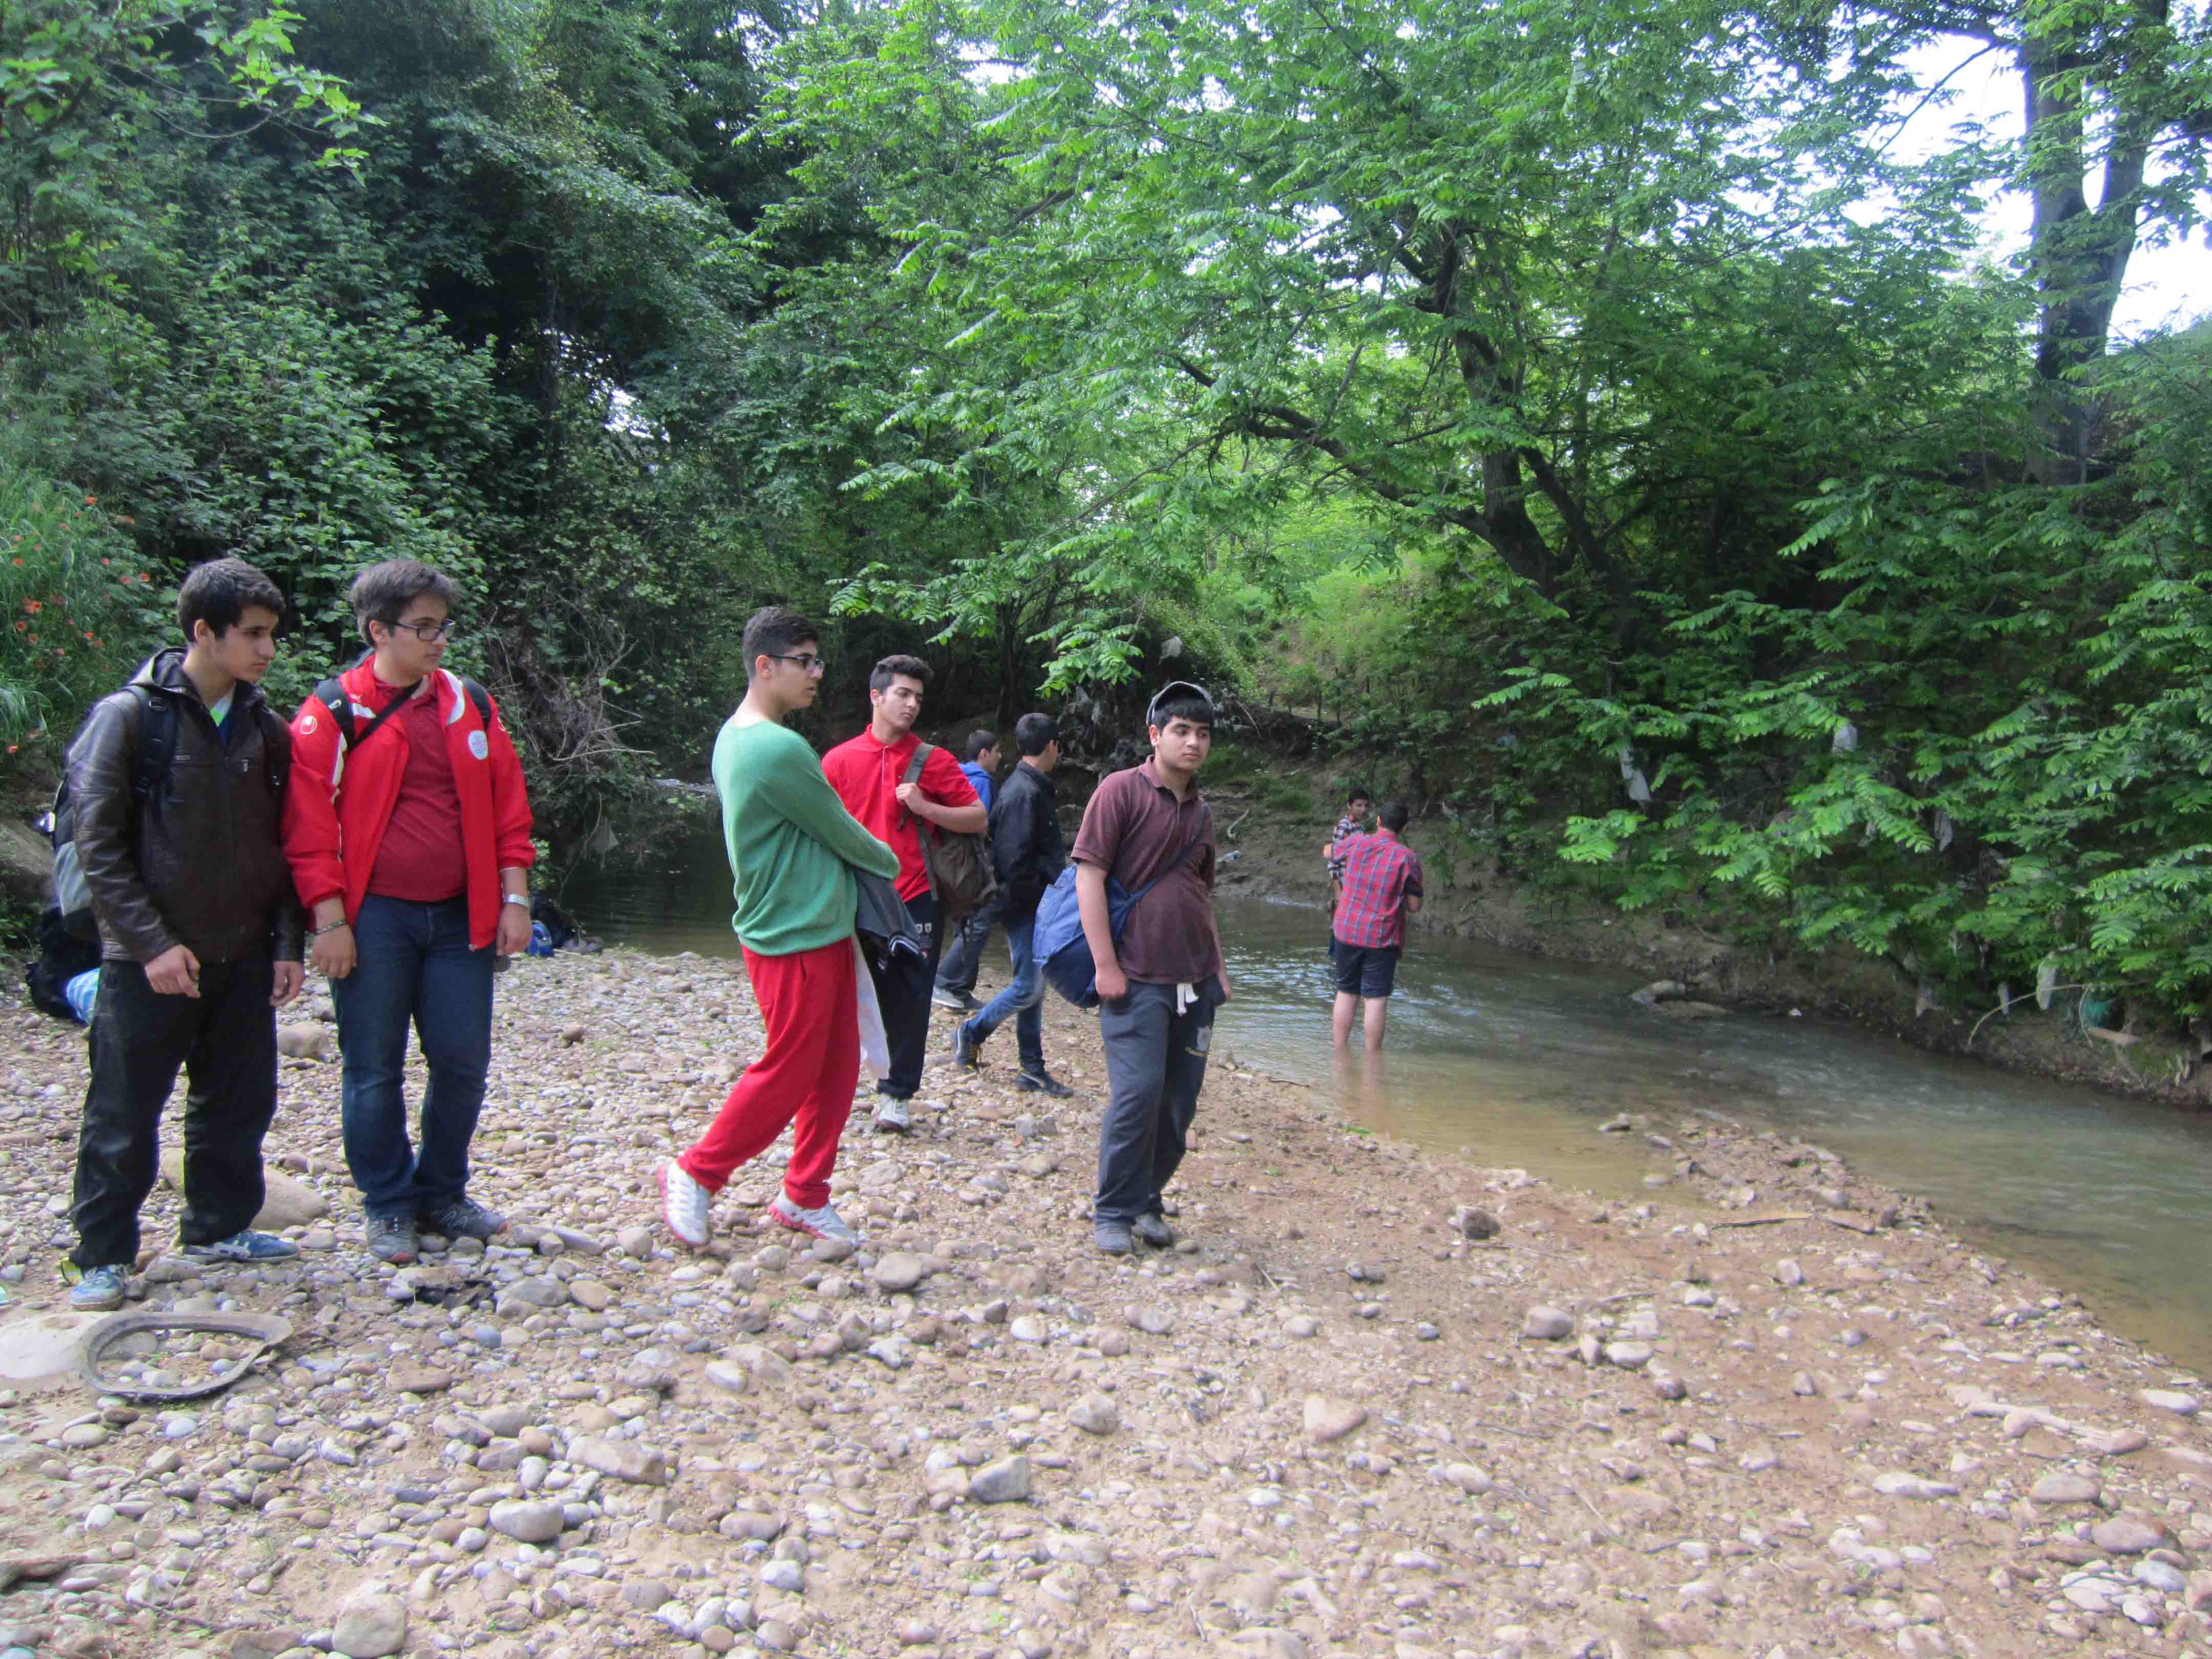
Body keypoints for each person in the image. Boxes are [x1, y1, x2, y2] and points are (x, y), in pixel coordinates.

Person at [64, 558, 305, 1311]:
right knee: (124, 1111)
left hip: (244, 952)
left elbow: (286, 846)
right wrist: (150, 944)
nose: (268, 650)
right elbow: (97, 844)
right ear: (204, 631)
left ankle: (219, 1227)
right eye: (253, 634)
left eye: (272, 635)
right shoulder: (129, 718)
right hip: (148, 959)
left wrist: (286, 946)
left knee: (238, 1102)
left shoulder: (266, 729)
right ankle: (102, 1255)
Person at [283, 559, 535, 1267]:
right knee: (373, 1068)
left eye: (442, 626)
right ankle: (389, 1204)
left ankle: (445, 1193)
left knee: (462, 1062)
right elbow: (307, 829)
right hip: (375, 919)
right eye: (423, 627)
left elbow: (509, 811)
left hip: (460, 916)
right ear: (378, 631)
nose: (438, 640)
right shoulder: (333, 712)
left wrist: (516, 899)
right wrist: (330, 922)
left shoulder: (470, 705)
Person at [657, 608, 901, 1249]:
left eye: (818, 661)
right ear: (764, 666)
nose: (816, 674)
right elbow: (839, 830)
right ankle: (697, 1172)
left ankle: (805, 1194)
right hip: (792, 931)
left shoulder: (734, 735)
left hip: (810, 924)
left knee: (838, 1066)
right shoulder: (776, 748)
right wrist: (892, 863)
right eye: (804, 662)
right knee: (790, 1068)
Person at [1072, 680, 1230, 1255]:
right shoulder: (1119, 791)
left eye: (1203, 734)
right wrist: (1105, 965)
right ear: (1155, 735)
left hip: (1195, 977)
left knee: (1179, 1102)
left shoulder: (1202, 811)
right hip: (1135, 975)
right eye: (1182, 731)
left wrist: (1219, 969)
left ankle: (1147, 1199)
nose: (1193, 743)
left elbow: (1201, 894)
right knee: (1138, 1094)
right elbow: (1088, 877)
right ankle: (1113, 1210)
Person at [820, 655, 985, 1132]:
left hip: (915, 895)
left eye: (918, 697)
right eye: (903, 694)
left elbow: (977, 818)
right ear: (876, 697)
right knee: (844, 993)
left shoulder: (934, 761)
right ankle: (835, 1084)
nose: (912, 704)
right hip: (854, 895)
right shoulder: (837, 761)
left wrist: (925, 806)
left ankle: (896, 1096)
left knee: (911, 997)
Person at [949, 713, 1072, 1095]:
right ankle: (972, 1031)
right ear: (1051, 747)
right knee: (1028, 987)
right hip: (1025, 904)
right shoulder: (1024, 793)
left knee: (1034, 986)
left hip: (1032, 902)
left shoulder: (1029, 786)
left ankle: (1032, 1068)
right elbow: (1014, 862)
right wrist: (1048, 894)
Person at [1329, 800, 1424, 1050]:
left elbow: (1329, 853)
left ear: (1379, 821)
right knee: (1375, 998)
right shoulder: (1408, 859)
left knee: (1346, 991)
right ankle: (1373, 1059)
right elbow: (1414, 906)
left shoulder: (1357, 842)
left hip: (1347, 930)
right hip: (1382, 936)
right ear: (1403, 829)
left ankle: (1339, 1051)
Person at [932, 729, 1004, 1013]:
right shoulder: (981, 781)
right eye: (997, 751)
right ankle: (944, 980)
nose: (1000, 757)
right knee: (980, 922)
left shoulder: (957, 775)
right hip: (970, 861)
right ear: (984, 753)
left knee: (964, 921)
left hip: (948, 860)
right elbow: (979, 823)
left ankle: (960, 990)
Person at [1324, 786, 1372, 955]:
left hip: (1354, 882)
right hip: (1344, 882)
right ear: (1349, 806)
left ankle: (1341, 956)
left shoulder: (1359, 827)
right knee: (1340, 921)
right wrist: (1338, 890)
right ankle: (1334, 956)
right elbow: (1333, 858)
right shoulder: (1345, 826)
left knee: (1347, 922)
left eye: (1365, 806)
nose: (1363, 809)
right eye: (1359, 805)